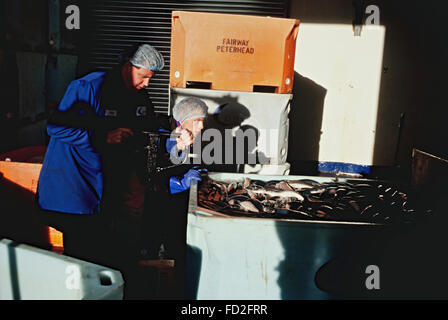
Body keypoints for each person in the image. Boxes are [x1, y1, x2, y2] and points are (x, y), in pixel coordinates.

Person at [36, 44, 165, 268]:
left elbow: (149, 129)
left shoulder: (139, 96)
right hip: (76, 186)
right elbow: (56, 128)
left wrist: (174, 128)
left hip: (104, 187)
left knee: (103, 253)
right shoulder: (89, 87)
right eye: (143, 76)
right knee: (81, 257)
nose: (147, 84)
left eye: (150, 79)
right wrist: (102, 137)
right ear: (128, 66)